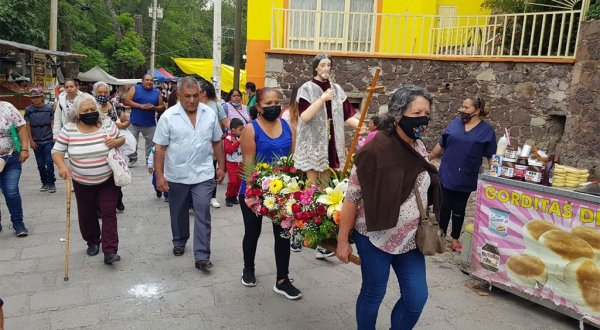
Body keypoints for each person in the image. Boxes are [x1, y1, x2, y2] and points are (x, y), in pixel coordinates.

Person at [337, 85, 440, 330]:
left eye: (426, 113)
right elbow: (352, 198)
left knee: (416, 299)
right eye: (416, 114)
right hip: (374, 236)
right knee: (373, 293)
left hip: (410, 240)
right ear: (397, 114)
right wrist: (342, 240)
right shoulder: (374, 151)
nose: (423, 119)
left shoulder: (419, 146)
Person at [153, 76, 225, 270]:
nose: (192, 100)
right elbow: (159, 148)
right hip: (177, 174)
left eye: (195, 96)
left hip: (203, 173)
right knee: (178, 211)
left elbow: (217, 141)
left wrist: (222, 166)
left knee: (202, 210)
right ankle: (179, 239)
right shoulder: (168, 117)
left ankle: (202, 255)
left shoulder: (209, 114)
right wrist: (160, 176)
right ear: (178, 95)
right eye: (187, 96)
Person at [294, 53, 361, 259]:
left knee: (326, 189)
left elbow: (348, 114)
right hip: (314, 143)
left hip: (331, 143)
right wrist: (322, 99)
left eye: (329, 64)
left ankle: (321, 233)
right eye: (322, 64)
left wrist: (361, 126)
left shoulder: (337, 89)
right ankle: (301, 231)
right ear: (315, 68)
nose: (326, 67)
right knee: (311, 189)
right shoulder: (307, 88)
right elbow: (304, 116)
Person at [239, 87, 301, 300]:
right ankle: (248, 268)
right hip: (253, 192)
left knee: (283, 235)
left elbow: (292, 161)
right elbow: (248, 167)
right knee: (252, 233)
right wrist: (255, 195)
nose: (274, 107)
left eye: (276, 103)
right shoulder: (251, 129)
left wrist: (291, 188)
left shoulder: (288, 126)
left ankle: (282, 280)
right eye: (268, 104)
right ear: (258, 107)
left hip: (282, 193)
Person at [52, 94, 126, 265]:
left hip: (108, 179)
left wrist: (115, 142)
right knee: (87, 214)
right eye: (85, 111)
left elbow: (122, 137)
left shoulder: (106, 123)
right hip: (82, 181)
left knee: (108, 212)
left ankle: (110, 250)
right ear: (77, 113)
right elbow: (56, 151)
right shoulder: (69, 129)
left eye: (93, 109)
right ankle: (92, 241)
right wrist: (62, 166)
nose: (90, 112)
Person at [429, 96, 496, 252]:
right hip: (447, 171)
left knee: (459, 209)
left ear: (477, 110)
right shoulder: (455, 123)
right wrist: (429, 157)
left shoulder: (486, 131)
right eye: (462, 106)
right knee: (444, 206)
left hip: (466, 174)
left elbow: (490, 155)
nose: (462, 110)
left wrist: (494, 174)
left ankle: (455, 238)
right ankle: (441, 236)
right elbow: (441, 143)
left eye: (466, 107)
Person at [93, 81, 130, 212]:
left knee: (116, 172)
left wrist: (119, 125)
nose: (102, 95)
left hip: (115, 146)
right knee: (99, 177)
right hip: (96, 147)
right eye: (100, 93)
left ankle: (118, 197)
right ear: (94, 93)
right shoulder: (90, 106)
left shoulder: (115, 105)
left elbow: (126, 122)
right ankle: (99, 206)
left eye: (105, 93)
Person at [0, 101, 30, 237]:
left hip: (10, 157)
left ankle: (18, 223)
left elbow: (21, 127)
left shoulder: (7, 107)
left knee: (11, 191)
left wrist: (24, 148)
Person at [198, 79, 230, 208]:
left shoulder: (216, 106)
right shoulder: (194, 105)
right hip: (197, 143)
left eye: (198, 91)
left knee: (212, 170)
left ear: (204, 92)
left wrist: (235, 130)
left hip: (214, 143)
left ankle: (212, 197)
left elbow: (225, 122)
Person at [123, 74, 165, 167]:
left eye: (151, 80)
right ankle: (132, 158)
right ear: (142, 81)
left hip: (150, 123)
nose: (149, 82)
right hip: (134, 121)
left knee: (151, 143)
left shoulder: (156, 92)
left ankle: (148, 160)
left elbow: (162, 106)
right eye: (147, 80)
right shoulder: (135, 88)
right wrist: (141, 106)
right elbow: (127, 101)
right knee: (132, 141)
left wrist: (154, 107)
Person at [25, 88, 56, 193]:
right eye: (33, 98)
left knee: (49, 162)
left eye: (37, 97)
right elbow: (27, 126)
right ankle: (44, 182)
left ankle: (51, 182)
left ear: (42, 97)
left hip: (48, 139)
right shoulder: (29, 110)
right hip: (36, 141)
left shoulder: (49, 108)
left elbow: (52, 123)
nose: (36, 99)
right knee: (40, 164)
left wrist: (54, 137)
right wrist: (31, 140)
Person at [223, 118, 244, 207]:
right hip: (231, 163)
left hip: (240, 163)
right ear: (233, 130)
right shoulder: (228, 138)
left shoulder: (243, 137)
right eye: (240, 129)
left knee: (239, 182)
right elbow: (229, 150)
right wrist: (238, 142)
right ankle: (228, 197)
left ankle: (234, 196)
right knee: (232, 181)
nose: (242, 131)